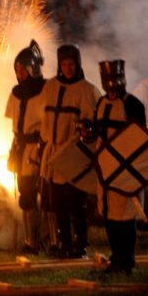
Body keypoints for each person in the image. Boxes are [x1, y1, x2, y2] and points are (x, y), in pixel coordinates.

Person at [37, 44, 101, 258]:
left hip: (73, 154)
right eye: (64, 64)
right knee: (57, 204)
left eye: (71, 64)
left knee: (76, 203)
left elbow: (92, 123)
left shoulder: (86, 90)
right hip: (53, 154)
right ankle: (64, 243)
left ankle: (80, 245)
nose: (68, 68)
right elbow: (42, 118)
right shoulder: (50, 87)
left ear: (77, 64)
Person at [86, 59, 146, 274]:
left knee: (125, 215)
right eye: (108, 79)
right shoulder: (101, 103)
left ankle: (126, 259)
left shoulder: (132, 104)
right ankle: (116, 257)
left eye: (116, 78)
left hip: (125, 167)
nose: (112, 83)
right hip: (106, 167)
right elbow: (99, 133)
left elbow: (139, 138)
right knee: (110, 213)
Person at [4, 40, 47, 253]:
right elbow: (14, 124)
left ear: (33, 68)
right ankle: (31, 242)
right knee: (26, 195)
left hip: (41, 148)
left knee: (49, 196)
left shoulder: (46, 90)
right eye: (17, 69)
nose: (20, 72)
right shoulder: (15, 93)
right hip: (21, 149)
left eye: (23, 68)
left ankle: (55, 242)